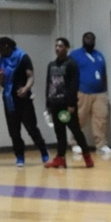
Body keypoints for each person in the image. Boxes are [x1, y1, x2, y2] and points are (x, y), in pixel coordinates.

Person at [0, 36, 49, 167]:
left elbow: (31, 77)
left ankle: (43, 152)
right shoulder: (0, 62)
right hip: (9, 99)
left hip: (23, 98)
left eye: (0, 48)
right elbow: (2, 84)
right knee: (14, 131)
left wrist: (25, 88)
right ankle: (19, 156)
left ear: (7, 46)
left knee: (31, 128)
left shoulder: (22, 57)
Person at [43, 38, 93, 169]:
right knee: (59, 133)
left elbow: (73, 85)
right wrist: (47, 103)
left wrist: (71, 104)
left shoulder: (71, 64)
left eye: (60, 46)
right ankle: (60, 158)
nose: (57, 48)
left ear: (66, 48)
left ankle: (87, 156)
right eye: (56, 46)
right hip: (55, 103)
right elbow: (48, 84)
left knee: (75, 130)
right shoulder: (51, 65)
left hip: (66, 105)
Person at [69, 32, 111, 155]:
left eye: (92, 38)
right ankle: (75, 143)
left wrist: (105, 89)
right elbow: (70, 74)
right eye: (87, 38)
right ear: (83, 40)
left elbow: (103, 74)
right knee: (80, 118)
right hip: (82, 92)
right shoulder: (75, 55)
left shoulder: (99, 55)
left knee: (101, 119)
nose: (90, 40)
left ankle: (101, 145)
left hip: (100, 93)